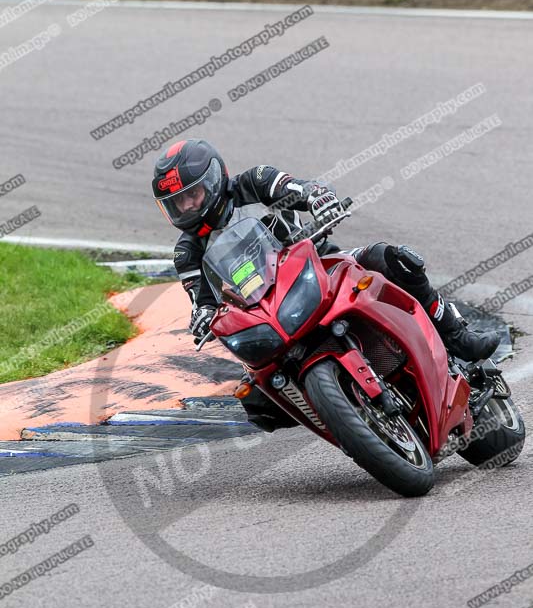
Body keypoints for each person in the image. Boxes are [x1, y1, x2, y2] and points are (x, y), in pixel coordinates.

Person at [152, 138, 500, 432]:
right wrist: (203, 314)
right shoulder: (187, 251)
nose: (186, 206)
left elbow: (298, 188)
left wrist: (317, 197)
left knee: (392, 259)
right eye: (177, 202)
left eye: (192, 194)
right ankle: (348, 415)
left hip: (319, 267)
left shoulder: (254, 184)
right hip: (267, 311)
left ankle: (455, 334)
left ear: (213, 180)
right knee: (259, 402)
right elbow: (201, 298)